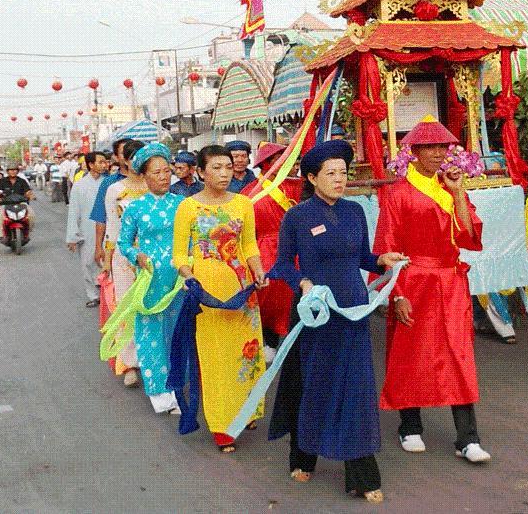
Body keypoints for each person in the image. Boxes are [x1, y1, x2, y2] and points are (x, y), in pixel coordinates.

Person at [269, 140, 405, 503]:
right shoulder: (297, 216)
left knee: (356, 389)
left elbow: (362, 256)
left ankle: (361, 474)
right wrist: (303, 281)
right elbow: (281, 265)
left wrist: (381, 260)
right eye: (331, 173)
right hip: (315, 314)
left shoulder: (356, 211)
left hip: (353, 313)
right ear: (312, 178)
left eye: (343, 173)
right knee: (314, 384)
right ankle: (303, 456)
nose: (339, 179)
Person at [374, 115, 491, 463]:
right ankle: (409, 426)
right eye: (431, 147)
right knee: (411, 353)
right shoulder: (396, 194)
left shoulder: (451, 187)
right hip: (413, 280)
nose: (439, 153)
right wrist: (397, 295)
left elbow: (470, 237)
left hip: (451, 281)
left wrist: (457, 194)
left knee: (460, 354)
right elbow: (387, 246)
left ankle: (468, 437)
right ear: (415, 151)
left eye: (444, 146)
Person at [172, 144, 266, 452]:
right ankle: (222, 426)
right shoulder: (188, 207)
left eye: (228, 167)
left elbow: (249, 245)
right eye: (216, 167)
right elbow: (179, 254)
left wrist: (259, 271)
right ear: (200, 172)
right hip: (207, 290)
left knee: (245, 354)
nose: (224, 173)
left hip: (241, 288)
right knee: (214, 359)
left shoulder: (243, 204)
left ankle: (247, 409)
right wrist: (189, 276)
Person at [117, 143, 185, 414]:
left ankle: (178, 384)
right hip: (151, 279)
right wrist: (138, 257)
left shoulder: (183, 204)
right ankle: (159, 389)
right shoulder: (134, 208)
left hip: (180, 277)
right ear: (144, 176)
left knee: (177, 330)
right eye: (156, 172)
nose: (163, 177)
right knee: (151, 333)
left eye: (167, 171)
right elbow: (124, 243)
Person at [241, 142, 304, 358]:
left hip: (295, 246)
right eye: (285, 160)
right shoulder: (250, 192)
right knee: (267, 295)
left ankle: (296, 340)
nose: (292, 165)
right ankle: (269, 340)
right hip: (265, 249)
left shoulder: (298, 186)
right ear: (269, 163)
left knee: (298, 291)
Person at [103, 140, 149, 387]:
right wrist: (108, 260)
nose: (137, 162)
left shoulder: (158, 185)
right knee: (127, 308)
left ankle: (154, 358)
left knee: (155, 307)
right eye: (132, 158)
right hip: (125, 258)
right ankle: (129, 363)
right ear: (125, 161)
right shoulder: (115, 190)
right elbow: (113, 228)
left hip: (155, 256)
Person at [66, 151, 108, 308]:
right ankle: (93, 294)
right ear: (91, 165)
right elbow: (73, 212)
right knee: (87, 262)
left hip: (107, 228)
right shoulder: (79, 186)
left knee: (106, 259)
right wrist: (72, 237)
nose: (105, 165)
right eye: (101, 162)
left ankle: (107, 292)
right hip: (86, 229)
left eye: (106, 162)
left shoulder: (109, 183)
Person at [89, 139, 130, 277]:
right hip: (118, 247)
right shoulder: (109, 184)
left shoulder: (149, 181)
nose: (131, 157)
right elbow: (101, 217)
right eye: (125, 153)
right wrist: (98, 247)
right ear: (116, 157)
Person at [0, 164, 34, 237]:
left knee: (31, 214)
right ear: (7, 171)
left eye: (15, 170)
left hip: (21, 203)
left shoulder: (22, 181)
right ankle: (2, 234)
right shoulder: (2, 181)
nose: (13, 172)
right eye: (11, 170)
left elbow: (28, 191)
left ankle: (28, 232)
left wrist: (30, 195)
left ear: (18, 171)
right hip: (5, 203)